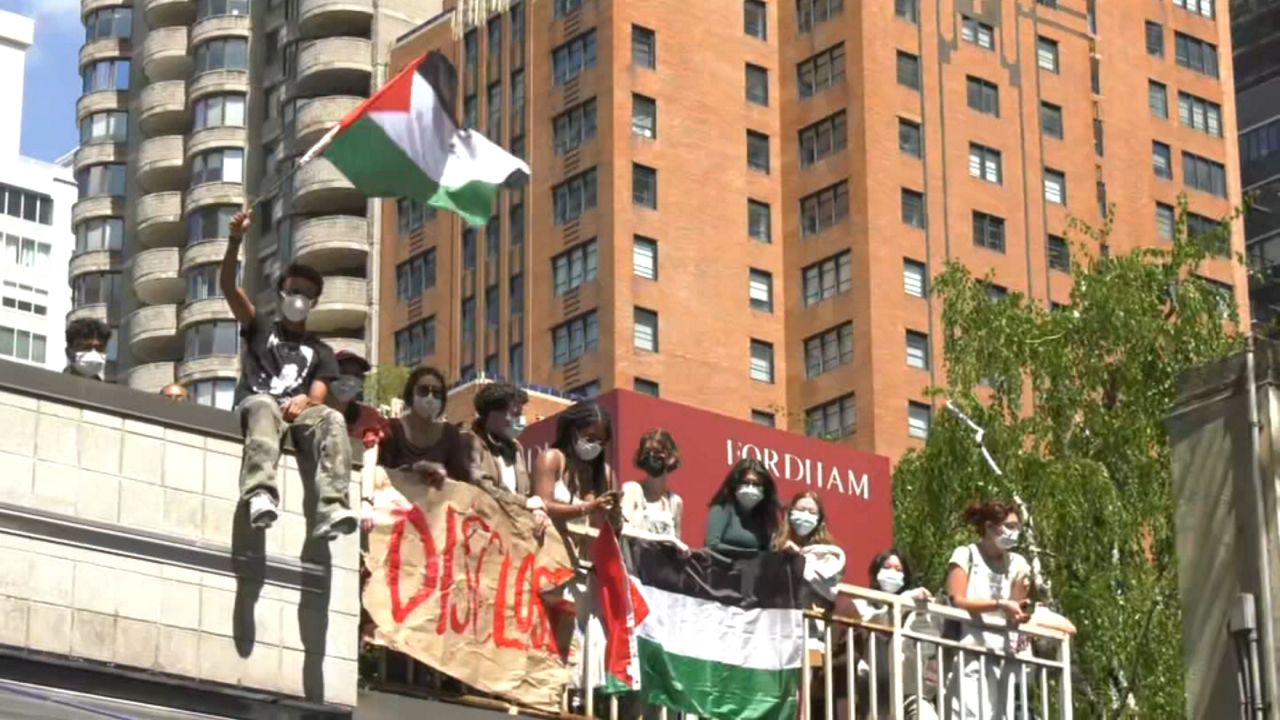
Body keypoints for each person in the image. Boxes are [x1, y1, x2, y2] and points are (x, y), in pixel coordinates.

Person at [221, 208, 355, 540]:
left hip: (296, 416)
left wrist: (305, 399)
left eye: (307, 294)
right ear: (282, 292)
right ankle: (260, 494)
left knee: (333, 420)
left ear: (315, 302)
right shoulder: (260, 326)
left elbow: (319, 399)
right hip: (258, 408)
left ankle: (332, 506)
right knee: (264, 404)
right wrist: (236, 238)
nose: (300, 299)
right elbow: (227, 286)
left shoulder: (320, 351)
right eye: (294, 290)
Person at [944, 500, 1032, 720]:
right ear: (990, 527)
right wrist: (999, 604)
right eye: (1009, 526)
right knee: (970, 712)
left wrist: (1020, 604)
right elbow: (957, 599)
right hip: (971, 646)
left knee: (1001, 714)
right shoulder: (967, 554)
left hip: (1004, 652)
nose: (1015, 532)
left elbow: (1016, 607)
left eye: (1017, 527)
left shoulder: (1017, 563)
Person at [857, 549, 939, 720]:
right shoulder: (862, 603)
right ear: (876, 572)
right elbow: (877, 624)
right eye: (887, 567)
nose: (892, 573)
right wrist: (902, 603)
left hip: (907, 689)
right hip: (873, 687)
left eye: (898, 569)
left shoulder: (914, 610)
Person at [462, 381, 545, 517]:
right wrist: (524, 502)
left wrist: (536, 511)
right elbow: (482, 488)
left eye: (520, 414)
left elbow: (526, 492)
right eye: (514, 414)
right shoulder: (469, 442)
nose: (520, 421)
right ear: (492, 414)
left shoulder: (516, 448)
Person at [618, 428, 684, 545]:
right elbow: (624, 531)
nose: (652, 456)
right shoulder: (632, 490)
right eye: (647, 452)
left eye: (657, 452)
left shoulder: (675, 502)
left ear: (671, 457)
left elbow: (677, 543)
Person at [704, 458, 779, 553]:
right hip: (724, 565)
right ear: (735, 483)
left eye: (757, 484)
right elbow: (712, 545)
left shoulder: (764, 517)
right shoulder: (723, 507)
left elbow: (766, 551)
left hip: (753, 567)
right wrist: (749, 554)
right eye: (745, 482)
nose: (750, 487)